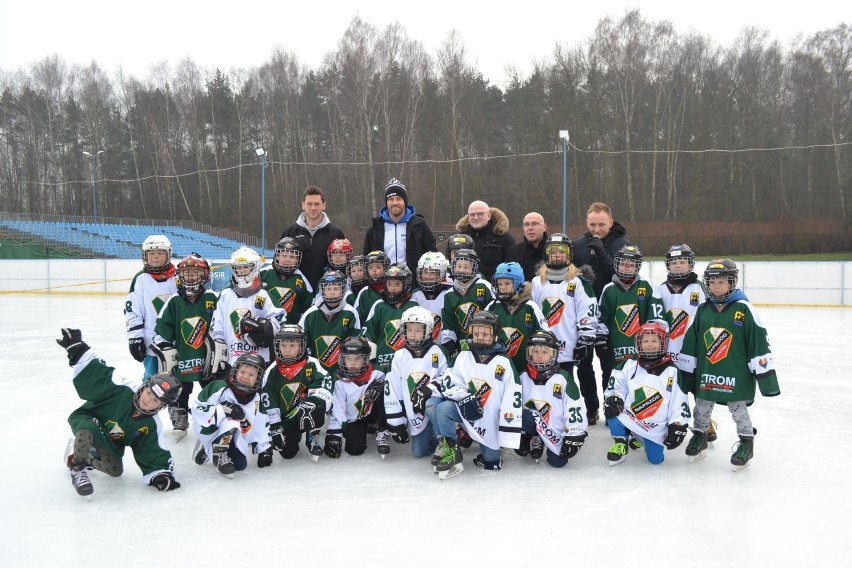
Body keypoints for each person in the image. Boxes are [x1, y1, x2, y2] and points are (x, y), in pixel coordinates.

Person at [677, 259, 780, 471]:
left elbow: (758, 342)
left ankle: (746, 443)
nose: (716, 286)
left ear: (732, 282)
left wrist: (766, 379)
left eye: (722, 281)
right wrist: (687, 373)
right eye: (712, 281)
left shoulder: (744, 309)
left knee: (738, 409)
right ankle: (700, 436)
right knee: (702, 406)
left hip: (736, 372)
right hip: (708, 372)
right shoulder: (703, 309)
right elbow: (691, 341)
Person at [58, 328, 181, 497]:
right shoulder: (122, 388)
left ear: (161, 406)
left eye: (155, 400)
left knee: (115, 470)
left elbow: (152, 450)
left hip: (109, 441)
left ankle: (86, 455)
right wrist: (79, 351)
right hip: (87, 419)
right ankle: (77, 467)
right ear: (145, 386)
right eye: (149, 393)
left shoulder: (151, 425)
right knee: (87, 429)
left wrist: (160, 475)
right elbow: (99, 375)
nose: (148, 399)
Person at [424, 311, 522, 478]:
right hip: (464, 411)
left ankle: (479, 441)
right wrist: (464, 397)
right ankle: (451, 448)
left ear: (495, 335)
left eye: (485, 334)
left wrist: (506, 432)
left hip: (490, 421)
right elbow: (451, 380)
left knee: (491, 464)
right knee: (441, 407)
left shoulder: (504, 362)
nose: (480, 337)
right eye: (476, 333)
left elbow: (513, 398)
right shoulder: (463, 356)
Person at [571, 203, 632, 422]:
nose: (596, 229)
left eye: (601, 224)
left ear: (611, 223)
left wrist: (602, 251)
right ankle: (591, 407)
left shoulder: (623, 245)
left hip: (613, 316)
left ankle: (611, 405)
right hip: (583, 315)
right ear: (587, 223)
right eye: (592, 224)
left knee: (609, 365)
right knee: (584, 365)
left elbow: (622, 276)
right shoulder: (578, 245)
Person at [530, 234, 599, 423]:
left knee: (572, 381)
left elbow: (588, 310)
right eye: (553, 252)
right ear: (547, 255)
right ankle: (549, 414)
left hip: (569, 344)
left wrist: (586, 337)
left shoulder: (578, 282)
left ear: (570, 254)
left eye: (562, 252)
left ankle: (589, 409)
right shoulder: (537, 282)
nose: (558, 255)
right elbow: (532, 311)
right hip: (543, 346)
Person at [602, 322, 691, 466]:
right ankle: (621, 442)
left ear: (663, 342)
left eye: (654, 340)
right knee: (612, 409)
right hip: (631, 417)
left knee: (656, 460)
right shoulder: (629, 365)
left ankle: (640, 438)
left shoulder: (672, 371)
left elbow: (679, 400)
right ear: (639, 343)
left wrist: (678, 424)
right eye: (645, 341)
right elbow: (617, 386)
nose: (649, 344)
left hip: (655, 426)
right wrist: (615, 397)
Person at [653, 244, 717, 442]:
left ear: (691, 264)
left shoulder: (702, 288)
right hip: (667, 352)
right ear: (668, 266)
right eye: (674, 262)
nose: (678, 266)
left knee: (699, 390)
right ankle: (665, 422)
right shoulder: (660, 289)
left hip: (694, 351)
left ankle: (704, 423)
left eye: (683, 262)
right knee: (669, 390)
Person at [153, 253, 218, 441]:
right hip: (184, 355)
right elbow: (161, 331)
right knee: (182, 388)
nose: (190, 277)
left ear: (204, 275)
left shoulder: (213, 297)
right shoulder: (174, 301)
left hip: (207, 356)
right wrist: (166, 349)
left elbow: (220, 326)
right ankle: (181, 416)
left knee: (211, 386)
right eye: (187, 273)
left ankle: (212, 415)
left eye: (195, 273)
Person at [597, 244, 666, 415]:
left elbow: (657, 319)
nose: (627, 266)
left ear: (638, 266)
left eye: (631, 263)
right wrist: (601, 341)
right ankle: (612, 411)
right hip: (616, 348)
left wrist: (653, 344)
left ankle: (638, 411)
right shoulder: (609, 289)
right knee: (612, 377)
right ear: (616, 264)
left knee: (640, 379)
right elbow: (601, 319)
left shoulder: (648, 285)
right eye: (623, 263)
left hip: (643, 349)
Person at [190, 353, 272, 478]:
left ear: (259, 378)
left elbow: (262, 424)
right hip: (213, 428)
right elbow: (198, 407)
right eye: (243, 372)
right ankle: (217, 451)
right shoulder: (219, 387)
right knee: (232, 423)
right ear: (235, 370)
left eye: (251, 375)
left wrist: (264, 449)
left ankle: (213, 447)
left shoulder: (257, 398)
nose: (245, 377)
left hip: (239, 434)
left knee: (240, 465)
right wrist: (223, 409)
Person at [207, 246, 284, 376]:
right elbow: (217, 325)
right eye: (238, 267)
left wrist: (265, 329)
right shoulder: (226, 295)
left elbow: (279, 320)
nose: (242, 271)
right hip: (231, 359)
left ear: (256, 267)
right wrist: (218, 345)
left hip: (259, 359)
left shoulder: (264, 295)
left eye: (246, 266)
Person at [262, 325, 333, 462]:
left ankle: (312, 435)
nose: (287, 350)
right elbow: (268, 398)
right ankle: (295, 433)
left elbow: (324, 386)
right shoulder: (272, 371)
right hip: (287, 418)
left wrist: (313, 401)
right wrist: (275, 426)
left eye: (292, 345)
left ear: (301, 346)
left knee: (316, 406)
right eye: (283, 345)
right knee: (288, 453)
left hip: (306, 411)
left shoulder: (312, 364)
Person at [384, 306, 448, 458]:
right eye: (409, 330)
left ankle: (447, 441)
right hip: (414, 411)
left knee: (433, 405)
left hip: (434, 406)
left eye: (418, 330)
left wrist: (430, 390)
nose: (413, 335)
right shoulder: (399, 355)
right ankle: (434, 437)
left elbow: (448, 378)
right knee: (418, 453)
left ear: (428, 330)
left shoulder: (438, 351)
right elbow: (393, 389)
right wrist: (397, 424)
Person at [518, 330, 588, 467]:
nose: (539, 356)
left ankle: (543, 437)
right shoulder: (522, 376)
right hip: (531, 421)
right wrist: (519, 433)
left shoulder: (562, 377)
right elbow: (513, 406)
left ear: (554, 354)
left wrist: (575, 433)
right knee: (525, 416)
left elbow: (574, 406)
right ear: (529, 353)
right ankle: (533, 435)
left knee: (558, 462)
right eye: (535, 352)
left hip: (555, 428)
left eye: (545, 352)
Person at [324, 336, 388, 458]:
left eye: (357, 358)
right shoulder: (338, 379)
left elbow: (391, 395)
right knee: (355, 449)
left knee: (384, 391)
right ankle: (363, 428)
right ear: (342, 359)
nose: (352, 363)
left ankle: (381, 428)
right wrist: (334, 435)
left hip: (373, 414)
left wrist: (381, 386)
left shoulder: (378, 372)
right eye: (348, 358)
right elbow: (338, 409)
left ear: (366, 359)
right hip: (353, 419)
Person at [124, 234, 177, 379]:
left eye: (160, 253)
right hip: (151, 344)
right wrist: (135, 337)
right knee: (151, 380)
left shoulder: (178, 277)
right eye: (151, 253)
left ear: (168, 255)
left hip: (176, 340)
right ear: (145, 256)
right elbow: (133, 311)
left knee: (176, 380)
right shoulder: (141, 279)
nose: (155, 257)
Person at [363, 178, 437, 275]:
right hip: (384, 283)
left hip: (413, 283)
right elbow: (366, 258)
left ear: (405, 201)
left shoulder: (419, 225)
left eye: (398, 199)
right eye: (391, 199)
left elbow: (432, 254)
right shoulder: (375, 229)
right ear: (386, 202)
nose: (395, 203)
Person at [485, 261, 549, 372]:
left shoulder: (530, 307)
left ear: (518, 283)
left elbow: (545, 336)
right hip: (497, 370)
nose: (503, 288)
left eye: (507, 284)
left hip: (526, 370)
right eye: (500, 284)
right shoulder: (492, 307)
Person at [279, 185, 346, 289]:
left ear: (324, 205)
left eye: (317, 204)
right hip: (296, 292)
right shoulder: (290, 232)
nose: (313, 208)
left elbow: (343, 266)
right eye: (309, 204)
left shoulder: (335, 233)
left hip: (326, 293)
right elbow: (279, 263)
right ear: (303, 205)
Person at [298, 270, 361, 377]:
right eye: (328, 289)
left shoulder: (351, 313)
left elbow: (355, 344)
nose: (332, 292)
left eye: (336, 288)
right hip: (316, 373)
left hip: (342, 374)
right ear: (322, 290)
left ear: (343, 290)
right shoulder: (310, 314)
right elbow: (302, 345)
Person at [363, 264, 419, 373]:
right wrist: (373, 364)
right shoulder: (379, 305)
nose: (393, 288)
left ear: (406, 284)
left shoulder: (414, 305)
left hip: (408, 363)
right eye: (389, 284)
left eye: (397, 284)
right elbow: (368, 336)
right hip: (382, 363)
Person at [440, 248, 494, 358]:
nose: (461, 270)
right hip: (461, 345)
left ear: (474, 267)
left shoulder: (484, 286)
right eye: (459, 266)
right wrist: (451, 346)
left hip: (484, 342)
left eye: (466, 267)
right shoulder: (448, 295)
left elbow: (494, 313)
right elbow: (447, 323)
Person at [455, 200, 515, 281]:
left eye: (480, 214)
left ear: (489, 216)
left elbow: (511, 266)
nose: (475, 218)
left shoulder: (504, 238)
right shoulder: (460, 238)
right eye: (472, 215)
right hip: (464, 286)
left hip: (493, 287)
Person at [260, 237, 314, 325]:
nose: (288, 260)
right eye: (284, 255)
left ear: (298, 259)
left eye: (292, 256)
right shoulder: (263, 274)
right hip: (266, 328)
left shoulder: (302, 280)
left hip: (291, 331)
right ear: (277, 256)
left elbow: (306, 311)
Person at [411, 251, 453, 342]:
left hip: (446, 344)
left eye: (433, 272)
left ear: (441, 273)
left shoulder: (451, 293)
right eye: (425, 272)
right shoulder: (415, 295)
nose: (428, 276)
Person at [506, 212, 548, 281]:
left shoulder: (554, 251)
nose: (530, 228)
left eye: (534, 224)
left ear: (544, 227)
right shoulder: (514, 252)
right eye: (526, 224)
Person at [353, 250, 390, 325]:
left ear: (385, 268)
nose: (374, 270)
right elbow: (357, 317)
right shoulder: (364, 292)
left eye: (378, 267)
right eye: (370, 267)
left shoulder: (391, 289)